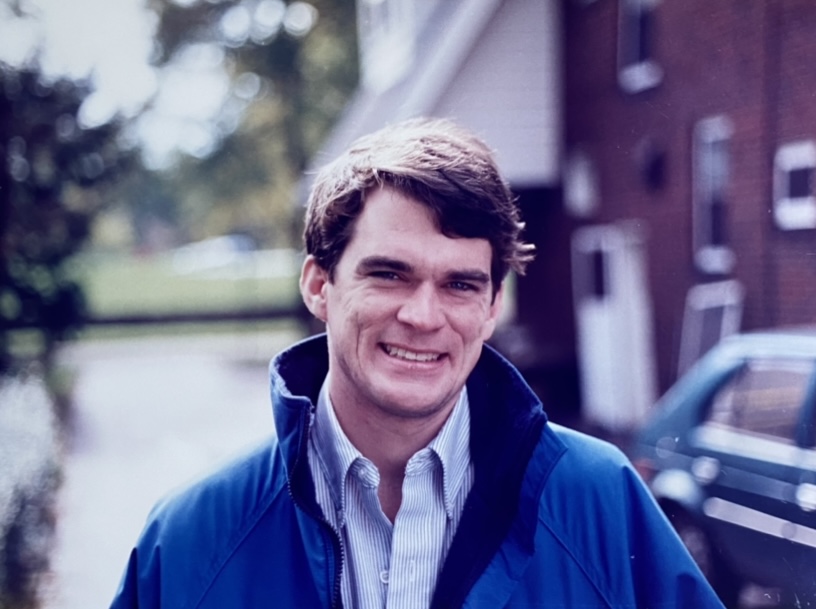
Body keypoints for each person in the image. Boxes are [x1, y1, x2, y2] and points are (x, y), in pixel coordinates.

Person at [110, 117, 725, 609]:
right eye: (388, 273)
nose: (424, 316)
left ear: (491, 308)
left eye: (460, 285)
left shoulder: (600, 506)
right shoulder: (191, 541)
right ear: (319, 285)